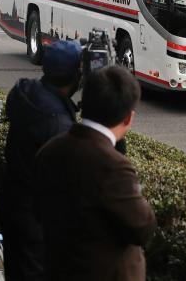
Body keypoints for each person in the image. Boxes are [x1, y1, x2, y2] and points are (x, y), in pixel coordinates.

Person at [34, 66, 157, 281]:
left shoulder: (50, 149)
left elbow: (37, 209)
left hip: (57, 268)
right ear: (128, 118)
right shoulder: (113, 167)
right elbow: (141, 228)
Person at [0, 40, 82, 280]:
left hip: (14, 206)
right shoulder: (56, 123)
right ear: (75, 76)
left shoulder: (27, 93)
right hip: (36, 222)